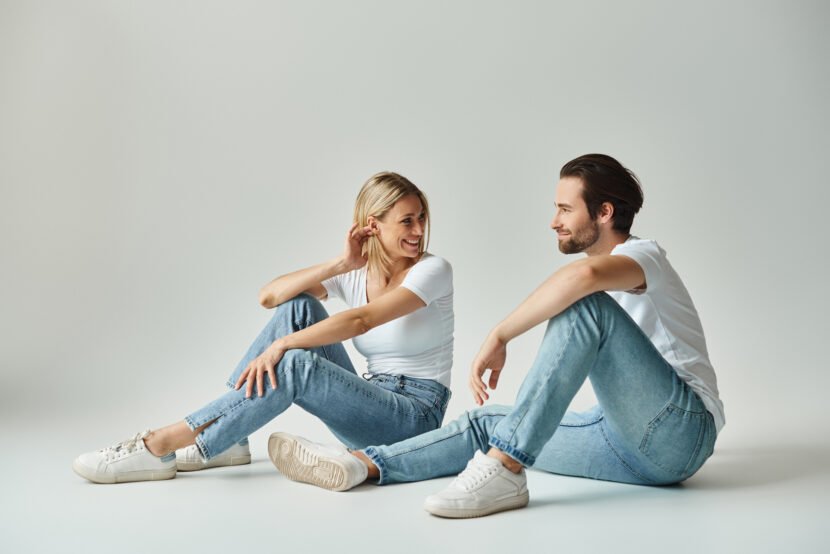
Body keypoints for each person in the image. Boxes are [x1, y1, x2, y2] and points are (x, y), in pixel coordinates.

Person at [268, 154, 725, 518]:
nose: (554, 221)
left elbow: (582, 279)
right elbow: (271, 297)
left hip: (682, 431)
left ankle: (506, 470)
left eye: (565, 209)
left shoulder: (644, 257)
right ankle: (362, 465)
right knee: (486, 425)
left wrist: (500, 333)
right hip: (631, 448)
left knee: (585, 307)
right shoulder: (607, 266)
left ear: (604, 213)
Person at [73, 171, 454, 485]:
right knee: (299, 306)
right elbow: (269, 297)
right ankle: (231, 437)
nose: (419, 230)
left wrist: (283, 345)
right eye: (407, 220)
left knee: (295, 365)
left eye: (421, 217)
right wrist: (340, 264)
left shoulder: (433, 270)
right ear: (374, 225)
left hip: (412, 419)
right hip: (369, 402)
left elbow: (361, 321)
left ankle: (162, 443)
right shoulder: (357, 275)